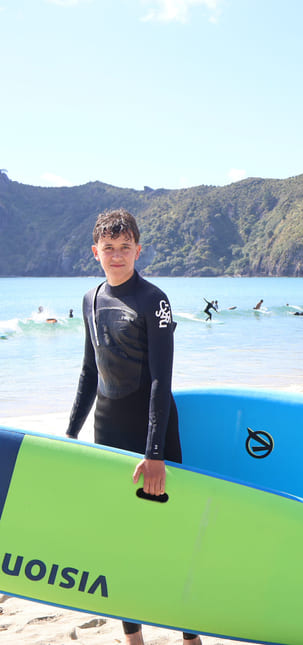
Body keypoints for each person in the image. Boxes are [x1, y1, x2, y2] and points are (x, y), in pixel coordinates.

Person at [65, 208, 201, 645]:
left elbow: (162, 379)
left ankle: (190, 635)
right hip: (107, 431)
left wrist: (155, 452)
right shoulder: (89, 299)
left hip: (154, 434)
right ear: (96, 252)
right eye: (109, 249)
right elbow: (90, 373)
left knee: (172, 537)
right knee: (118, 539)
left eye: (126, 248)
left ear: (138, 250)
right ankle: (132, 636)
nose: (117, 256)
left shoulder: (153, 300)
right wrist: (69, 437)